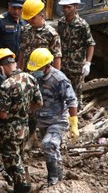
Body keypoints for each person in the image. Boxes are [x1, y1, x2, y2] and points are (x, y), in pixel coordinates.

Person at [0, 49, 43, 193]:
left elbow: (3, 114)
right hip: (24, 126)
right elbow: (39, 103)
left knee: (12, 162)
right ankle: (18, 187)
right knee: (19, 157)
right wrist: (24, 110)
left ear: (1, 67)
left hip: (9, 130)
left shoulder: (6, 85)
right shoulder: (30, 78)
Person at [28, 48, 78, 185]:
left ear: (47, 65)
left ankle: (53, 181)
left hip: (57, 121)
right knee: (52, 150)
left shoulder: (59, 79)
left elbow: (71, 100)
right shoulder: (34, 77)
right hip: (42, 121)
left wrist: (74, 124)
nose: (35, 71)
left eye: (38, 68)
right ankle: (61, 179)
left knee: (48, 144)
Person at [56, 0, 95, 106]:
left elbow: (90, 44)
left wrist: (87, 63)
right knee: (62, 92)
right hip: (63, 64)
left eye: (69, 7)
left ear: (76, 7)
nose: (65, 9)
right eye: (64, 7)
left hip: (76, 66)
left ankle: (75, 118)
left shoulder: (82, 25)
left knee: (76, 94)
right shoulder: (61, 22)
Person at [19, 0, 62, 72]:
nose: (29, 20)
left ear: (42, 16)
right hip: (28, 74)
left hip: (43, 75)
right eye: (28, 18)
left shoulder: (51, 34)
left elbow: (56, 57)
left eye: (33, 18)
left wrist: (55, 78)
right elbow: (22, 52)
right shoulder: (25, 30)